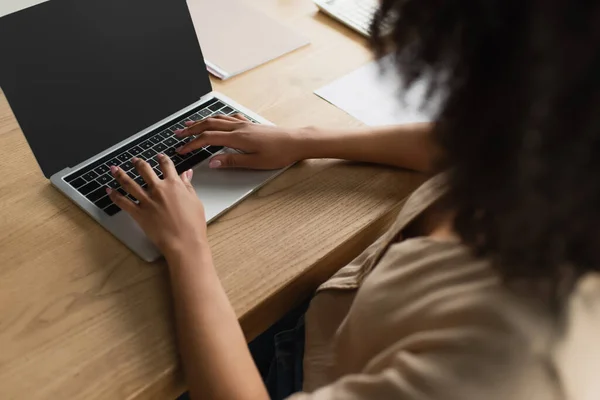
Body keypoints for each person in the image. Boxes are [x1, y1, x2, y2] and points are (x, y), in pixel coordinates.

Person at [105, 0, 600, 399]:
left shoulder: (505, 364)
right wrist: (306, 139)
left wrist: (187, 248)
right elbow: (471, 142)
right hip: (336, 319)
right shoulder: (559, 148)